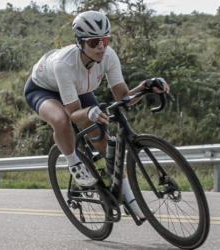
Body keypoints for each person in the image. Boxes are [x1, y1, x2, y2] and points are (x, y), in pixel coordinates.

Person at [24, 11, 169, 219]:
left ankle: (130, 200)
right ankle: (73, 161)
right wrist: (89, 113)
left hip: (78, 90)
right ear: (80, 43)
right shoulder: (64, 64)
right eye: (94, 41)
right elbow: (74, 114)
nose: (101, 46)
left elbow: (124, 97)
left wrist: (146, 86)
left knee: (104, 142)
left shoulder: (109, 56)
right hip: (43, 89)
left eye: (105, 40)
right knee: (61, 120)